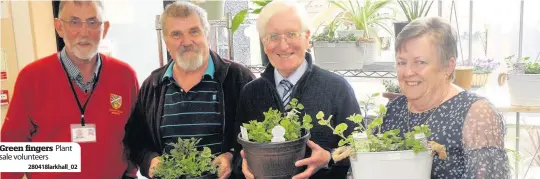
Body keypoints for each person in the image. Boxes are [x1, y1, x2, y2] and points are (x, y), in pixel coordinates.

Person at [1, 1, 140, 178]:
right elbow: (13, 146)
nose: (84, 32)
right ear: (59, 27)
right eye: (74, 22)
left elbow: (135, 139)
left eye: (92, 22)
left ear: (104, 28)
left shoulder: (124, 76)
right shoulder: (31, 78)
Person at [122, 1, 255, 179]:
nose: (186, 41)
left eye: (194, 31)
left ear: (206, 34)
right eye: (176, 34)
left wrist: (232, 157)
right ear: (166, 41)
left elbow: (257, 136)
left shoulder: (239, 78)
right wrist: (150, 160)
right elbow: (136, 139)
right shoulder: (153, 85)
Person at [233, 1, 361, 179]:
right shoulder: (250, 93)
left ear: (307, 37)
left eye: (291, 34)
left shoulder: (338, 89)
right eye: (273, 36)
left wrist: (329, 157)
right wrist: (244, 164)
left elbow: (358, 149)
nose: (283, 45)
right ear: (264, 42)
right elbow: (240, 151)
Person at [381, 16, 510, 178]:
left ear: (448, 66)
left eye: (420, 62)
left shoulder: (475, 112)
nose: (408, 72)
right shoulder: (395, 108)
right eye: (401, 62)